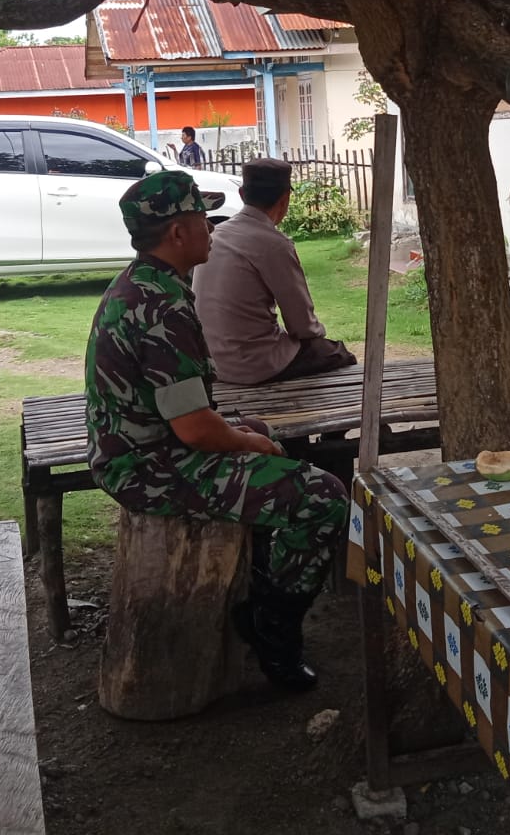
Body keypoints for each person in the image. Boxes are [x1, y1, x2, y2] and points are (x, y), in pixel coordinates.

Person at [83, 169, 348, 691]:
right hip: (148, 468)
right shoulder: (161, 306)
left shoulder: (141, 284)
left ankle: (259, 582)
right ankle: (273, 629)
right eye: (202, 218)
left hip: (143, 449)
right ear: (177, 232)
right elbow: (196, 431)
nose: (211, 227)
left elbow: (186, 411)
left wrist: (247, 434)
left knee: (260, 433)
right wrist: (250, 442)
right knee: (325, 497)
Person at [193, 158, 357, 384]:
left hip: (212, 361)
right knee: (338, 353)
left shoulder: (216, 235)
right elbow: (303, 326)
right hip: (254, 365)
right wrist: (317, 337)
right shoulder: (274, 244)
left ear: (242, 194)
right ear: (285, 199)